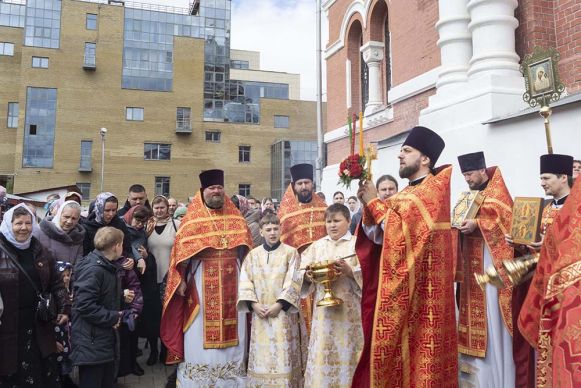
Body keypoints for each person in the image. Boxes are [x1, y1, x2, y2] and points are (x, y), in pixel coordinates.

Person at [353, 126, 457, 387]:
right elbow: (381, 237)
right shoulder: (405, 194)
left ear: (425, 159)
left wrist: (375, 203)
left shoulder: (431, 192)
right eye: (400, 151)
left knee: (423, 363)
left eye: (407, 151)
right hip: (406, 292)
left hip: (425, 297)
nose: (400, 155)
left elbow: (402, 236)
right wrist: (369, 205)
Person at [160, 169, 252, 387]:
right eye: (212, 188)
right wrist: (180, 279)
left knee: (236, 329)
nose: (216, 191)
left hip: (234, 284)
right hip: (200, 284)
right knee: (198, 332)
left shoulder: (236, 218)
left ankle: (233, 382)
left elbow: (247, 250)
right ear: (203, 191)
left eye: (219, 187)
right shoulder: (191, 221)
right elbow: (179, 254)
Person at [510, 153, 574, 387]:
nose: (542, 183)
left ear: (563, 177)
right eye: (541, 178)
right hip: (541, 286)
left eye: (546, 178)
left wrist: (547, 245)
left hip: (566, 290)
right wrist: (517, 243)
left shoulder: (575, 211)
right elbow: (534, 246)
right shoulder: (544, 208)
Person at [454, 152, 515, 387]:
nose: (467, 179)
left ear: (482, 170)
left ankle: (500, 380)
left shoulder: (497, 195)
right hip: (471, 272)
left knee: (492, 323)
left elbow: (506, 223)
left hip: (492, 272)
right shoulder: (469, 196)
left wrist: (478, 224)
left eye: (469, 174)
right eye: (464, 175)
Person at [0, 203, 71, 387]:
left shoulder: (38, 248)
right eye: (18, 223)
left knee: (42, 370)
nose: (24, 228)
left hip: (39, 321)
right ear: (8, 224)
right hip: (8, 325)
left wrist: (64, 307)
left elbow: (56, 281)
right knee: (12, 369)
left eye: (28, 223)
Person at [299, 203, 363, 387]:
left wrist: (350, 271)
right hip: (323, 318)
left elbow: (370, 276)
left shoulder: (357, 245)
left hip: (349, 317)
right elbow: (299, 273)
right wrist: (307, 275)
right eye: (328, 221)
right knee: (322, 354)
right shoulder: (317, 247)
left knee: (349, 355)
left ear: (348, 221)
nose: (332, 225)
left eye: (337, 221)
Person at [237, 212, 303, 387]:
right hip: (260, 314)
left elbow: (294, 281)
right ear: (261, 232)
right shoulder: (252, 255)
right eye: (268, 229)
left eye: (275, 228)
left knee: (283, 355)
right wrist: (254, 304)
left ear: (280, 229)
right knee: (262, 357)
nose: (273, 233)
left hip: (283, 314)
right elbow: (245, 281)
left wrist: (280, 304)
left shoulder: (291, 253)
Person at [71, 227, 124, 388]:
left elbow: (100, 294)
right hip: (91, 341)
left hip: (100, 339)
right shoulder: (94, 269)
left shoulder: (104, 265)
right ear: (116, 246)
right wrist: (113, 317)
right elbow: (84, 304)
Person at [278, 163, 328, 335]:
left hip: (324, 272)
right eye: (300, 183)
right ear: (294, 186)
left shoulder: (324, 210)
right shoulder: (286, 214)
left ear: (312, 184)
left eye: (307, 182)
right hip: (298, 274)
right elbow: (282, 247)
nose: (304, 187)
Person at [81, 192, 144, 273]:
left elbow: (127, 246)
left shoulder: (119, 224)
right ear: (99, 208)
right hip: (95, 271)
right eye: (107, 210)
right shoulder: (87, 227)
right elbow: (84, 254)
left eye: (114, 210)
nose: (111, 214)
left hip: (118, 271)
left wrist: (130, 259)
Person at [35, 200, 85, 265]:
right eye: (66, 217)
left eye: (74, 218)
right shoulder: (39, 232)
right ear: (59, 214)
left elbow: (78, 262)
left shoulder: (78, 237)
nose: (69, 221)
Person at [54, 261, 76, 388]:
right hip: (57, 335)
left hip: (68, 333)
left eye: (68, 275)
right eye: (63, 276)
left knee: (67, 360)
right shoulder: (53, 295)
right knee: (59, 362)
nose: (66, 278)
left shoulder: (71, 290)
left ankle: (66, 378)